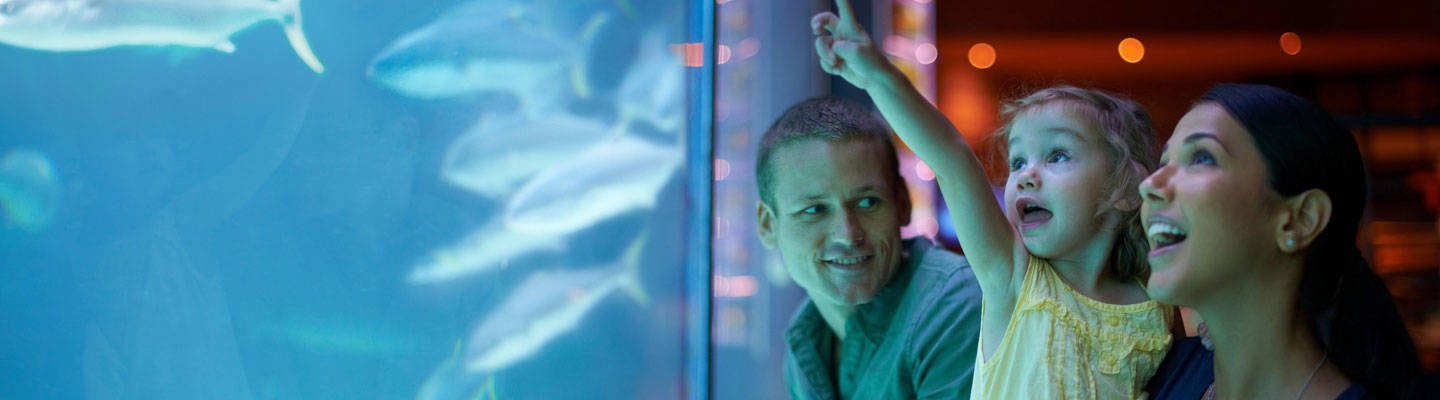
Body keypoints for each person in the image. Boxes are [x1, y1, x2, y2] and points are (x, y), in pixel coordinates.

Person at [811, 1, 1175, 398]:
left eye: (1057, 155)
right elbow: (951, 158)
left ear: (1123, 188)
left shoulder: (1155, 305)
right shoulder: (1015, 277)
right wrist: (877, 75)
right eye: (1018, 162)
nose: (1026, 175)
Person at [1140, 83, 1425, 399]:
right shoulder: (1153, 374)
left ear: (1300, 220)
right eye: (1163, 163)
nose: (1150, 185)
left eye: (1202, 157)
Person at [756, 96, 983, 399]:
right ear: (768, 226)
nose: (848, 235)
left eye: (867, 202)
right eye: (814, 210)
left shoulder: (951, 306)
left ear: (903, 203)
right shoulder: (805, 338)